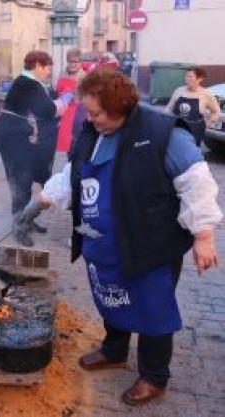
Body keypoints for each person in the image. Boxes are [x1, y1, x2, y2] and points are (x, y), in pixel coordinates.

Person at [22, 68, 222, 405]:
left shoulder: (162, 133)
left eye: (96, 112)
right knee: (111, 294)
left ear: (120, 107)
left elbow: (196, 183)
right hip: (104, 242)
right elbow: (76, 171)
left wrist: (204, 236)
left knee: (151, 306)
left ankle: (154, 375)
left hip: (150, 242)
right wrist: (45, 198)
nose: (91, 118)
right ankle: (114, 351)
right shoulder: (94, 132)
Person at [0, 50, 69, 247]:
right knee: (20, 181)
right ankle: (18, 227)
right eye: (47, 69)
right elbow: (47, 111)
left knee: (26, 177)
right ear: (37, 66)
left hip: (14, 133)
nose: (48, 73)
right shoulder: (30, 84)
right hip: (11, 136)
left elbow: (43, 103)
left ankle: (28, 220)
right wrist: (64, 101)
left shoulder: (29, 83)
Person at [166, 66, 220, 146]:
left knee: (192, 155)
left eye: (190, 76)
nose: (186, 78)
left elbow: (216, 111)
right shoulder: (178, 91)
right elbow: (168, 109)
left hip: (195, 131)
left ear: (200, 79)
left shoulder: (206, 94)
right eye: (186, 76)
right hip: (177, 129)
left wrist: (211, 121)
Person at [55, 48, 86, 153]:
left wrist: (75, 96)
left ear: (80, 62)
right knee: (67, 148)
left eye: (75, 62)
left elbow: (86, 97)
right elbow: (57, 90)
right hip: (63, 115)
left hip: (77, 116)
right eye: (70, 61)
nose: (72, 64)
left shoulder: (84, 76)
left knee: (76, 147)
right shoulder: (62, 73)